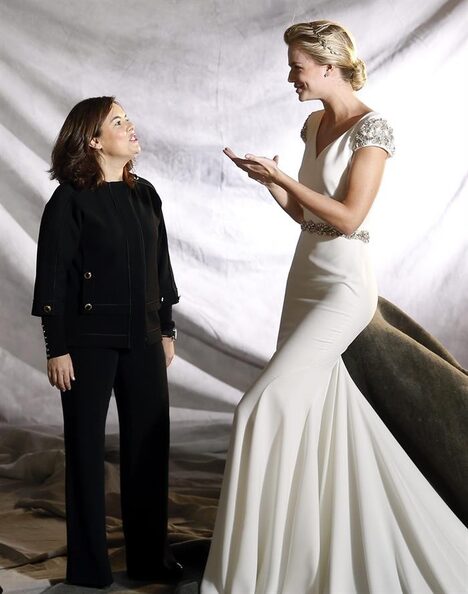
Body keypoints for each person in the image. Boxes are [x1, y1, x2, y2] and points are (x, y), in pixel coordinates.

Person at [201, 20, 467, 594]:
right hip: (303, 277)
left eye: (297, 67)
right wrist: (271, 184)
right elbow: (308, 217)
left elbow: (347, 218)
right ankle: (296, 556)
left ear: (328, 66)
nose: (290, 77)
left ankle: (243, 572)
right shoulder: (312, 124)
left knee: (258, 408)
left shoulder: (374, 130)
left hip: (343, 287)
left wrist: (285, 178)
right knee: (314, 415)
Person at [31, 97, 182, 588]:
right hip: (86, 345)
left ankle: (150, 561)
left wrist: (166, 328)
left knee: (149, 450)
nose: (130, 125)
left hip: (144, 339)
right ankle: (89, 571)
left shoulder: (146, 194)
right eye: (118, 121)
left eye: (127, 118)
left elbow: (160, 267)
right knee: (85, 453)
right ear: (94, 140)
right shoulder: (69, 200)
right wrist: (56, 346)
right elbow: (53, 277)